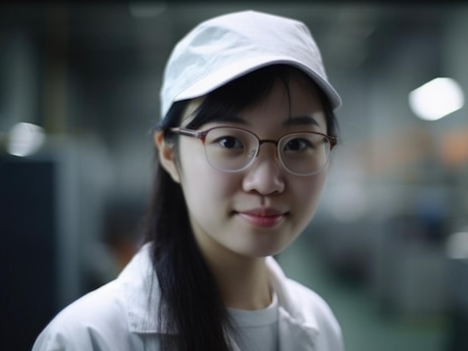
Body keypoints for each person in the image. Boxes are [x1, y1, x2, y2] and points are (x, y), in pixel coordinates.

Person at [33, 9, 344, 351]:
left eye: (299, 143)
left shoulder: (319, 324)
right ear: (170, 155)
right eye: (229, 142)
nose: (266, 182)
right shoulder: (88, 338)